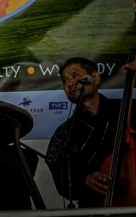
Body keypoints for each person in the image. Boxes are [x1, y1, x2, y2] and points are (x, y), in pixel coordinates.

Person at [44, 57, 136, 208]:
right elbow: (62, 183)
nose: (70, 84)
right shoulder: (63, 133)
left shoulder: (129, 109)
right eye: (65, 80)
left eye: (75, 76)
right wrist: (85, 179)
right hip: (93, 207)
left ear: (95, 77)